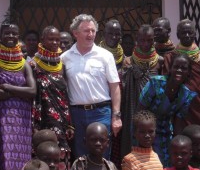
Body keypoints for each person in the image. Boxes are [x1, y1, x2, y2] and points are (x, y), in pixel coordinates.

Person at [61, 14, 122, 158]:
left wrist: (116, 116)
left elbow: (115, 87)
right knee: (81, 157)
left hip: (101, 113)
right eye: (86, 31)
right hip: (77, 115)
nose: (91, 34)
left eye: (93, 31)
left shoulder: (105, 56)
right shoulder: (64, 58)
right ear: (75, 33)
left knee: (102, 156)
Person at [0, 18, 36, 170]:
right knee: (3, 156)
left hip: (22, 119)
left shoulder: (24, 64)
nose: (11, 36)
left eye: (15, 34)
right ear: (0, 37)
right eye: (7, 33)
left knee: (22, 157)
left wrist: (7, 86)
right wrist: (21, 93)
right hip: (1, 120)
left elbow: (32, 91)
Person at [138, 54, 197, 167]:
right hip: (145, 130)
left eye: (183, 68)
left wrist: (177, 144)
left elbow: (178, 123)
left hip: (165, 132)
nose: (179, 70)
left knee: (166, 163)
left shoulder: (186, 95)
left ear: (189, 72)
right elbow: (140, 111)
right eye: (176, 66)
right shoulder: (155, 83)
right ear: (171, 68)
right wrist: (142, 135)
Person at [32, 26, 73, 170]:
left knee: (61, 154)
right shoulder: (33, 64)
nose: (55, 42)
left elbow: (66, 94)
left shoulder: (61, 65)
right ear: (42, 40)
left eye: (57, 39)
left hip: (61, 120)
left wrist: (69, 124)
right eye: (51, 39)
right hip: (42, 119)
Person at [121, 24, 163, 158]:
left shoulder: (160, 61)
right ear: (137, 40)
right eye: (142, 40)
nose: (146, 43)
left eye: (149, 40)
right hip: (133, 108)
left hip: (154, 109)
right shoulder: (128, 61)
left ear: (154, 40)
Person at [163, 19, 200, 129]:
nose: (187, 35)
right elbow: (167, 82)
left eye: (190, 32)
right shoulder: (170, 57)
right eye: (183, 32)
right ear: (177, 35)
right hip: (177, 103)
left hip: (197, 103)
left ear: (194, 34)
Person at [99, 19, 124, 167]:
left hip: (119, 111)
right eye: (110, 33)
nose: (114, 37)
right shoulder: (96, 55)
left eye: (117, 34)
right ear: (103, 34)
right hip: (101, 109)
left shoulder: (126, 59)